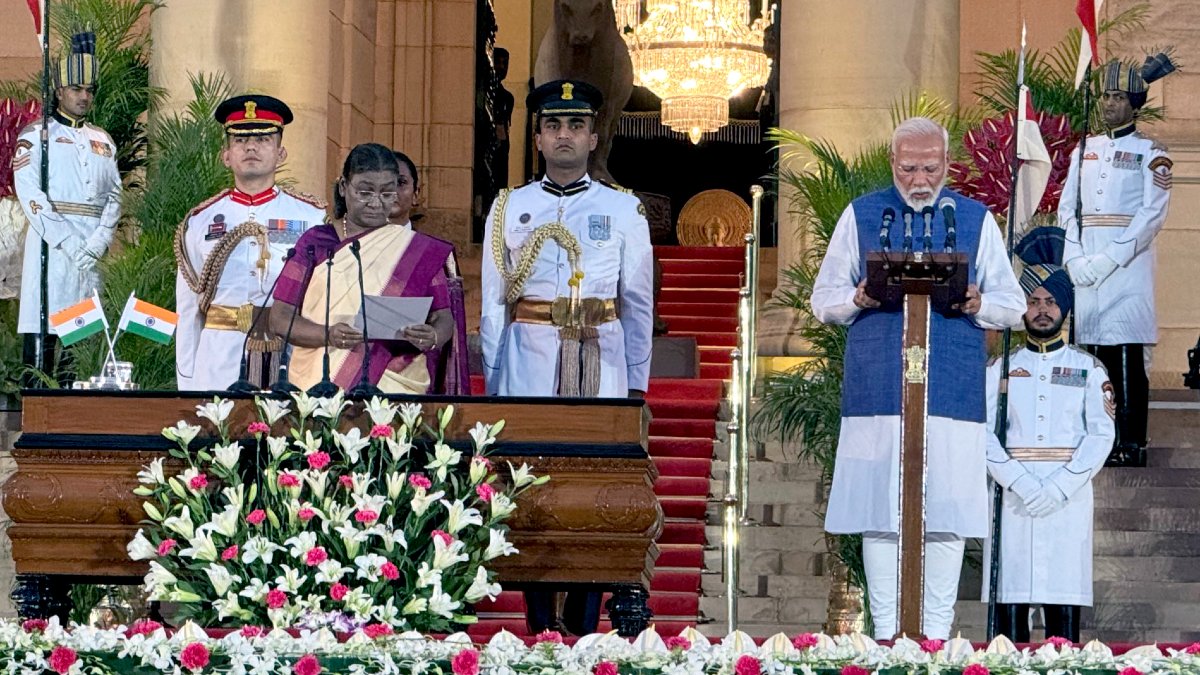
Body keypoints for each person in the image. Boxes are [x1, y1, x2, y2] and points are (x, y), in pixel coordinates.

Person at [810, 117, 1025, 639]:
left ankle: (936, 635)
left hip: (951, 389)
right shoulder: (861, 214)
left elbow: (1014, 305)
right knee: (879, 508)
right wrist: (856, 298)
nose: (920, 180)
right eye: (908, 169)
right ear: (892, 162)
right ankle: (888, 635)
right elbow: (823, 300)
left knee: (947, 509)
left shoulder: (975, 219)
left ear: (947, 164)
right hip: (878, 390)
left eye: (930, 168)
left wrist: (979, 301)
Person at [480, 79, 653, 634]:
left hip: (600, 358)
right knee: (531, 484)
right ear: (537, 138)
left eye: (576, 125)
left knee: (594, 481)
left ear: (593, 137)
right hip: (529, 358)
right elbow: (493, 301)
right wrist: (494, 380)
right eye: (552, 125)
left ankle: (583, 620)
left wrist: (637, 383)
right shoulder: (510, 207)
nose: (564, 135)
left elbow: (637, 302)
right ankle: (539, 621)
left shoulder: (622, 208)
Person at [983, 226, 1115, 644]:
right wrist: (1016, 480)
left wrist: (1060, 487)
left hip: (1067, 499)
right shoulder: (1000, 368)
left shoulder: (1088, 368)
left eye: (1050, 302)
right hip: (1012, 497)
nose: (1042, 310)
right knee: (1009, 608)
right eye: (1033, 301)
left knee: (1063, 602)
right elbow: (982, 431)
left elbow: (1101, 434)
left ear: (1064, 308)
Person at [271, 144, 469, 394]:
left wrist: (432, 336)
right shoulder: (316, 243)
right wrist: (328, 335)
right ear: (344, 187)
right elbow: (280, 318)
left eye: (387, 193)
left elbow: (444, 317)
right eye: (365, 192)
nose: (376, 203)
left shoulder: (416, 249)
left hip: (396, 384)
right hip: (321, 381)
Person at [1060, 54, 1177, 468]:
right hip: (1085, 264)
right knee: (1090, 351)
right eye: (1105, 96)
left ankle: (1129, 441)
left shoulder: (1151, 153)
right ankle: (1096, 439)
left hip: (1128, 269)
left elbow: (1152, 215)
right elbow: (1067, 209)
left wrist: (1109, 259)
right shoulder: (1084, 150)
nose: (1109, 103)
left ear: (1134, 104)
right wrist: (1074, 258)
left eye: (1118, 97)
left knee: (1125, 350)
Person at [174, 94, 328, 391]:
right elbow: (189, 307)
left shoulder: (312, 218)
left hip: (290, 353)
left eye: (263, 139)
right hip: (220, 356)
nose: (251, 147)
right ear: (226, 155)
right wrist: (188, 380)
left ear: (281, 154)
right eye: (240, 140)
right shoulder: (200, 221)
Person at [13, 31, 121, 373]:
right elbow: (30, 195)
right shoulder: (36, 136)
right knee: (43, 339)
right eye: (76, 89)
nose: (84, 96)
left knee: (81, 346)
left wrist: (100, 240)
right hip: (52, 249)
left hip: (92, 251)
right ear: (60, 91)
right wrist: (69, 241)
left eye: (89, 90)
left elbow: (115, 196)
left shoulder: (103, 140)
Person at [492, 47, 515, 191]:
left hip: (501, 149)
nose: (502, 67)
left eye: (505, 63)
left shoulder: (507, 97)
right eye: (498, 62)